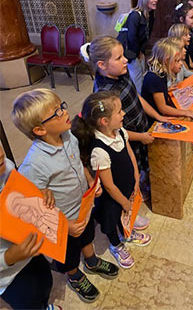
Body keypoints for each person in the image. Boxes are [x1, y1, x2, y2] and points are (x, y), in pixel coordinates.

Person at [12, 89, 119, 304]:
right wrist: (63, 226)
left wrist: (89, 180)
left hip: (82, 207)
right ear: (40, 129)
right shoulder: (34, 165)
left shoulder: (68, 135)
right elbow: (32, 207)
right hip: (63, 222)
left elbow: (78, 161)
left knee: (88, 235)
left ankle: (91, 261)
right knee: (69, 254)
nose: (64, 112)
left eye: (62, 106)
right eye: (56, 112)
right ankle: (74, 275)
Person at [72, 91, 151, 270]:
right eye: (119, 112)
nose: (123, 114)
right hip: (111, 198)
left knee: (125, 216)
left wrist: (136, 177)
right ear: (104, 121)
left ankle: (127, 233)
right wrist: (123, 201)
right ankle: (116, 245)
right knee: (111, 221)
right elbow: (108, 185)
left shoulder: (119, 131)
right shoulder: (99, 151)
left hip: (126, 187)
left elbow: (130, 152)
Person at [89, 36, 169, 202]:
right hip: (130, 139)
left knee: (146, 165)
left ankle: (144, 183)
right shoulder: (105, 95)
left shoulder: (121, 73)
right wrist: (141, 137)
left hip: (141, 129)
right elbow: (115, 131)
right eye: (119, 58)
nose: (126, 60)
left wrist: (157, 116)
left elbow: (136, 97)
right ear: (102, 65)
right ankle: (137, 193)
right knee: (134, 169)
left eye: (123, 55)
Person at [0, 145, 62, 310]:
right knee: (28, 302)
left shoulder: (6, 166)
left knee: (45, 283)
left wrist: (37, 193)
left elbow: (20, 189)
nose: (0, 154)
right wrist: (8, 257)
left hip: (33, 249)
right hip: (9, 278)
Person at [141, 37, 193, 127]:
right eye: (177, 61)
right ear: (166, 61)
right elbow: (163, 108)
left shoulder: (162, 73)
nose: (181, 63)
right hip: (152, 121)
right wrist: (185, 112)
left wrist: (168, 90)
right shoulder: (154, 78)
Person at [124, 0, 158, 94]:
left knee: (143, 74)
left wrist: (142, 52)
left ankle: (144, 99)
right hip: (130, 52)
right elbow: (131, 37)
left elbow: (146, 36)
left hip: (139, 51)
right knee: (138, 78)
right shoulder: (135, 15)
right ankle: (141, 104)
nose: (155, 0)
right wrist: (138, 53)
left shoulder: (150, 15)